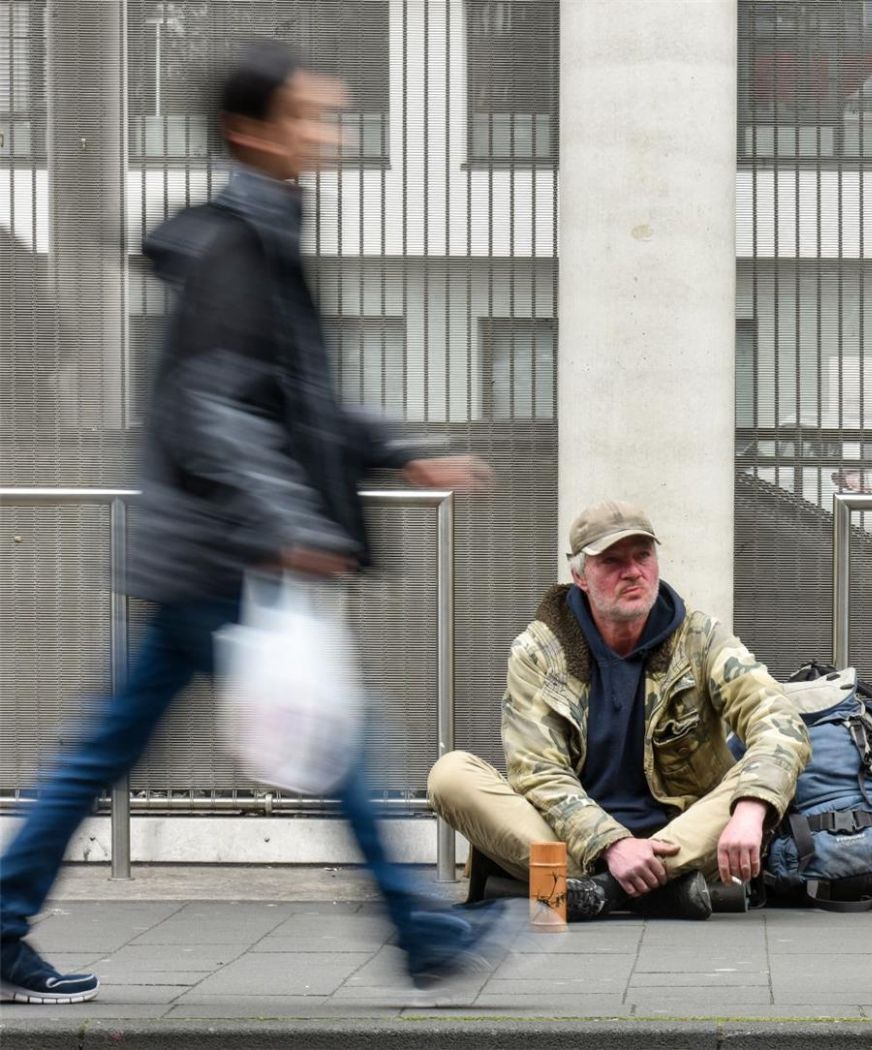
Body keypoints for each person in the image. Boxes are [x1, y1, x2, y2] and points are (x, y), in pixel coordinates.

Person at [0, 41, 501, 1005]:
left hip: (207, 549)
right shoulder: (237, 246)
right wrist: (286, 518)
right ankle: (424, 933)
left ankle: (3, 919)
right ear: (250, 131)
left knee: (113, 745)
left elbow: (297, 403)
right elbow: (214, 408)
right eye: (310, 117)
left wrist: (401, 449)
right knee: (340, 741)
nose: (330, 136)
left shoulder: (259, 236)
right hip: (221, 553)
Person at [428, 500, 810, 920]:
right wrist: (612, 844)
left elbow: (779, 720)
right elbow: (538, 772)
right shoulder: (539, 650)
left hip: (680, 836)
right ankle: (652, 888)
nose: (633, 572)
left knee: (765, 767)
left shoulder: (701, 639)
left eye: (643, 556)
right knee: (451, 774)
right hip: (573, 838)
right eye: (612, 561)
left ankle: (589, 893)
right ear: (579, 577)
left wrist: (750, 810)